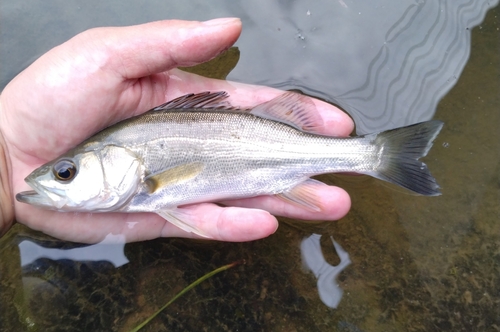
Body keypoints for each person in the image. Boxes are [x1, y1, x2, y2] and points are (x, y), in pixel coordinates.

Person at [0, 18, 353, 244]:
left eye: (66, 172)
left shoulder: (141, 172)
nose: (59, 176)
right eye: (66, 172)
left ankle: (370, 157)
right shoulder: (136, 167)